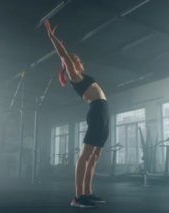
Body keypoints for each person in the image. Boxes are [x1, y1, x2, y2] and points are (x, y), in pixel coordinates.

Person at [44, 20, 110, 208]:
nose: (78, 60)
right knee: (86, 155)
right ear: (68, 65)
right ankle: (78, 197)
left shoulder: (83, 75)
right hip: (97, 112)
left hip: (104, 113)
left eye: (78, 59)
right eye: (73, 60)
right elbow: (63, 54)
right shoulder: (75, 76)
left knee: (95, 156)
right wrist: (52, 37)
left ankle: (88, 193)